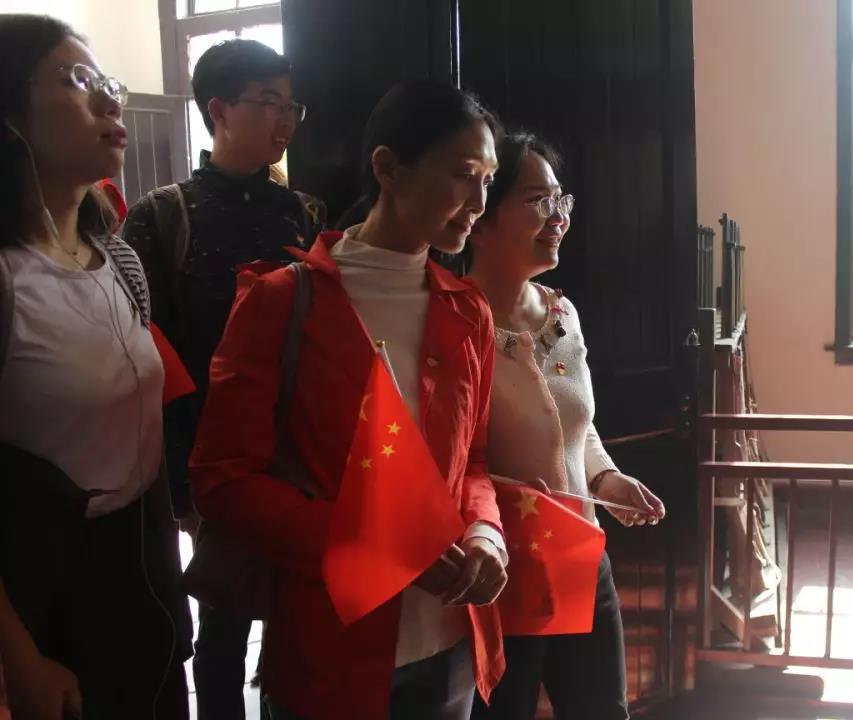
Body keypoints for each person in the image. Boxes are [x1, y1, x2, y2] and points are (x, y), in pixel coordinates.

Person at [188, 80, 508, 720]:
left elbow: (472, 460)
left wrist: (485, 533)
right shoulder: (283, 301)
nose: (479, 203)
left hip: (447, 640)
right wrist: (379, 545)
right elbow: (223, 482)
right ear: (388, 168)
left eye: (488, 181)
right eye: (463, 175)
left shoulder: (466, 308)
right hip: (329, 641)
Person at [122, 38, 325, 720]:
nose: (284, 119)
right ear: (217, 110)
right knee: (224, 619)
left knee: (300, 613)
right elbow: (156, 357)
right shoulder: (163, 216)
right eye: (267, 102)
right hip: (215, 455)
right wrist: (183, 482)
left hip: (298, 449)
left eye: (290, 104)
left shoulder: (302, 213)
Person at [0, 14, 191, 719]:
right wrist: (18, 658)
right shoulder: (9, 276)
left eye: (107, 80)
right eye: (77, 80)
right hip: (39, 588)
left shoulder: (120, 262)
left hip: (137, 569)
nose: (112, 99)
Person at [466, 131, 666, 720]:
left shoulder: (562, 312)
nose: (557, 218)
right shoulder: (454, 321)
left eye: (561, 200)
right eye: (537, 201)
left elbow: (581, 428)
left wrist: (605, 480)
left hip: (582, 557)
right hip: (503, 571)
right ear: (481, 218)